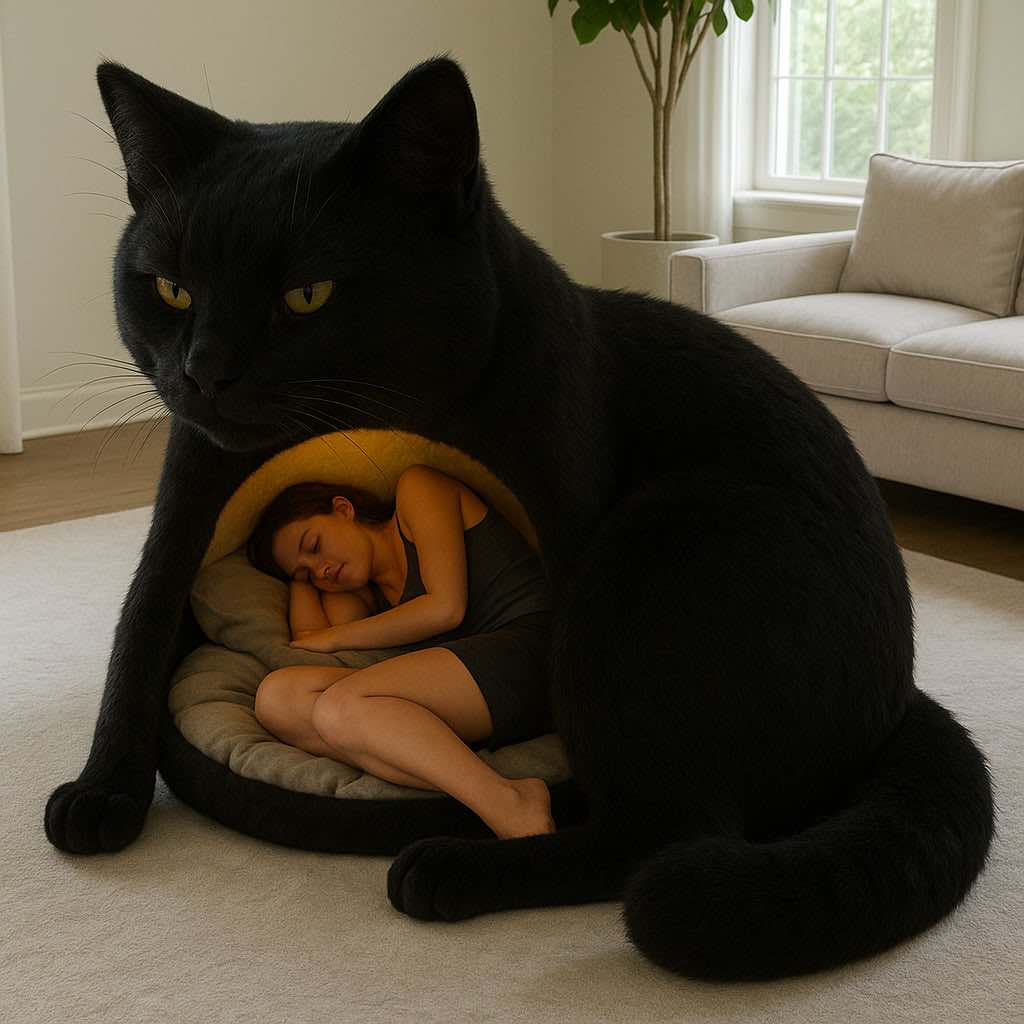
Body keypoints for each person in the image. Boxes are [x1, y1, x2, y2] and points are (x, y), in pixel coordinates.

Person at [244, 469, 557, 839]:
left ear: (343, 509)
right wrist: (299, 582)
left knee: (338, 708)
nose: (321, 569)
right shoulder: (365, 593)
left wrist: (333, 636)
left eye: (314, 545)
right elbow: (308, 639)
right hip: (475, 693)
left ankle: (508, 804)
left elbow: (445, 608)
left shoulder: (417, 488)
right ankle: (481, 786)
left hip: (539, 651)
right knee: (278, 699)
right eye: (308, 573)